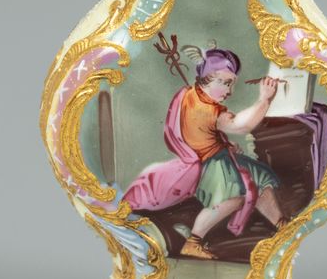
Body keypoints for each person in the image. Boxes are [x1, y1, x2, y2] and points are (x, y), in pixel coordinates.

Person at [123, 46, 287, 260]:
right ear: (207, 79)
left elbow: (204, 132)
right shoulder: (206, 109)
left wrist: (224, 143)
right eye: (226, 83)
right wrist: (264, 99)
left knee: (261, 178)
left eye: (232, 84)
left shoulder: (191, 94)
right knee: (232, 198)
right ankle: (193, 242)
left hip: (220, 155)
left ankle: (281, 225)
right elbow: (241, 125)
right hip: (209, 163)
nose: (230, 91)